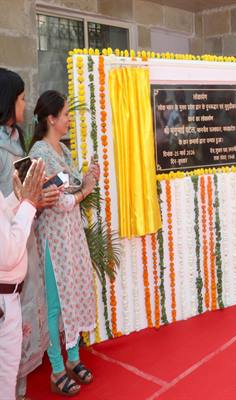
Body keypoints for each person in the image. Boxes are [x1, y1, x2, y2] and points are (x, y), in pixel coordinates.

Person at [29, 90, 100, 396]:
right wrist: (86, 189)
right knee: (55, 304)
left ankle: (73, 358)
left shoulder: (64, 151)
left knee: (73, 293)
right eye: (66, 114)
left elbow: (71, 187)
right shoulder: (39, 153)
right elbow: (61, 201)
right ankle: (57, 369)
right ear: (51, 118)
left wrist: (88, 178)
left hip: (71, 237)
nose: (69, 119)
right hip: (52, 241)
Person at [0, 67, 58, 400]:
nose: (25, 104)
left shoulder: (14, 139)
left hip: (21, 239)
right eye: (21, 98)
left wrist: (33, 198)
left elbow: (10, 200)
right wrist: (29, 202)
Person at [0, 159, 44, 400]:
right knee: (5, 383)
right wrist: (28, 203)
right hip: (3, 303)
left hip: (7, 299)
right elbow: (8, 254)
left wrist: (17, 199)